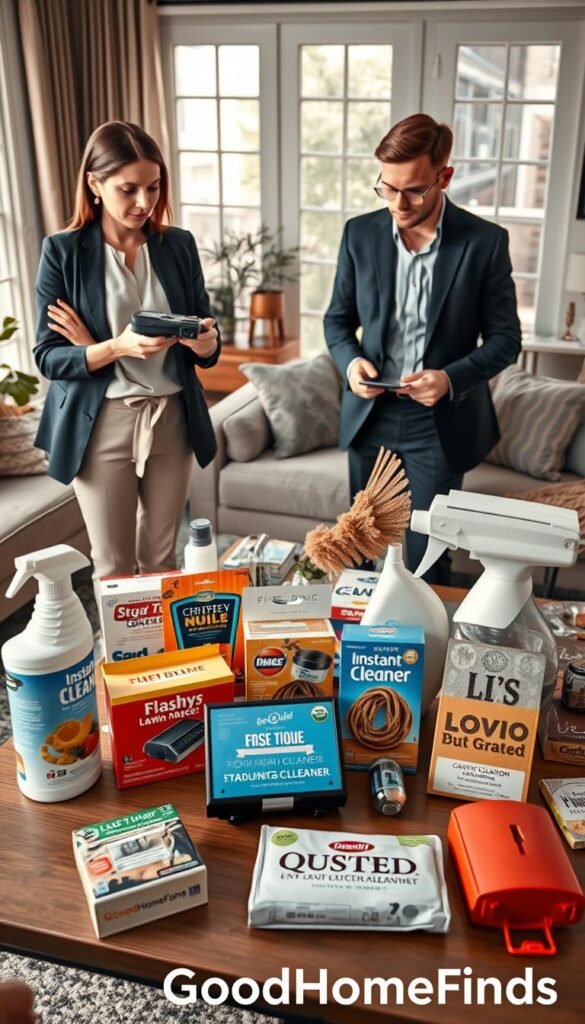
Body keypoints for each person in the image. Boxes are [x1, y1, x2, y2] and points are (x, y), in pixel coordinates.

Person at [324, 113, 521, 583]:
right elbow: (336, 320)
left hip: (439, 423)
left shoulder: (485, 243)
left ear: (444, 177)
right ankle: (366, 651)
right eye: (387, 188)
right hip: (369, 414)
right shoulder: (359, 234)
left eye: (413, 190)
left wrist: (450, 377)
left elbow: (506, 340)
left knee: (426, 556)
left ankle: (424, 652)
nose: (398, 202)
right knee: (360, 547)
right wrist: (351, 364)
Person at [34, 121, 221, 579]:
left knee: (163, 561)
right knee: (113, 565)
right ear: (94, 184)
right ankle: (121, 655)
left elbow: (205, 343)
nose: (145, 202)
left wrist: (207, 341)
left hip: (173, 416)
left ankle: (165, 655)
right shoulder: (64, 252)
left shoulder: (178, 245)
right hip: (101, 423)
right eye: (129, 189)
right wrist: (115, 347)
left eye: (154, 187)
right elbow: (48, 357)